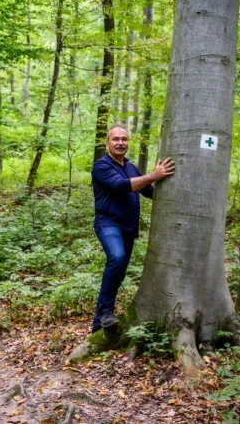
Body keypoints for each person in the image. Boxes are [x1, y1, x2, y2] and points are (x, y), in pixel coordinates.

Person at [90, 124, 175, 333]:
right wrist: (154, 175)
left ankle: (99, 324)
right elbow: (121, 185)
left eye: (124, 139)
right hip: (108, 224)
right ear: (107, 143)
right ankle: (106, 313)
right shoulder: (101, 166)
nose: (120, 143)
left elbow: (148, 191)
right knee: (117, 258)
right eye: (116, 139)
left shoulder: (131, 167)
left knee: (118, 273)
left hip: (128, 228)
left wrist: (177, 195)